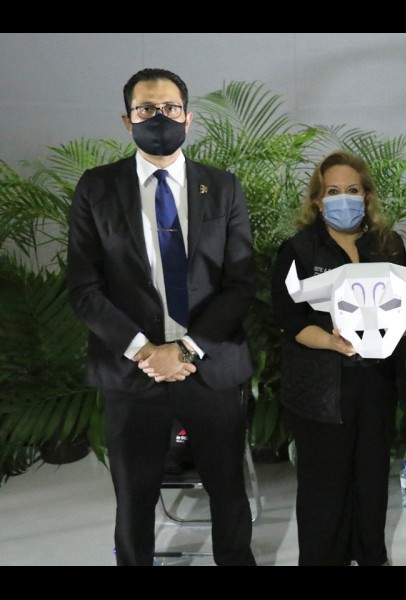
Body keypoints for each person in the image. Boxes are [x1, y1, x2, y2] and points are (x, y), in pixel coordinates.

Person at [67, 68, 257, 566]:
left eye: (170, 108)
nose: (159, 117)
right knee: (134, 497)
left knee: (227, 491)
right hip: (133, 371)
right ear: (127, 120)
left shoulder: (222, 187)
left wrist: (186, 349)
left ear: (188, 118)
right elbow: (84, 288)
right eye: (146, 108)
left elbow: (240, 284)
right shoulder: (96, 188)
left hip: (209, 365)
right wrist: (147, 352)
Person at [270, 150, 406, 566]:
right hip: (321, 388)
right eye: (332, 192)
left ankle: (371, 556)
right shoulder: (298, 249)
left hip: (377, 384)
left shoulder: (388, 245)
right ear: (318, 201)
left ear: (367, 195)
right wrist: (331, 342)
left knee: (371, 481)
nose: (343, 198)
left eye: (352, 189)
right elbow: (289, 319)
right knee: (324, 488)